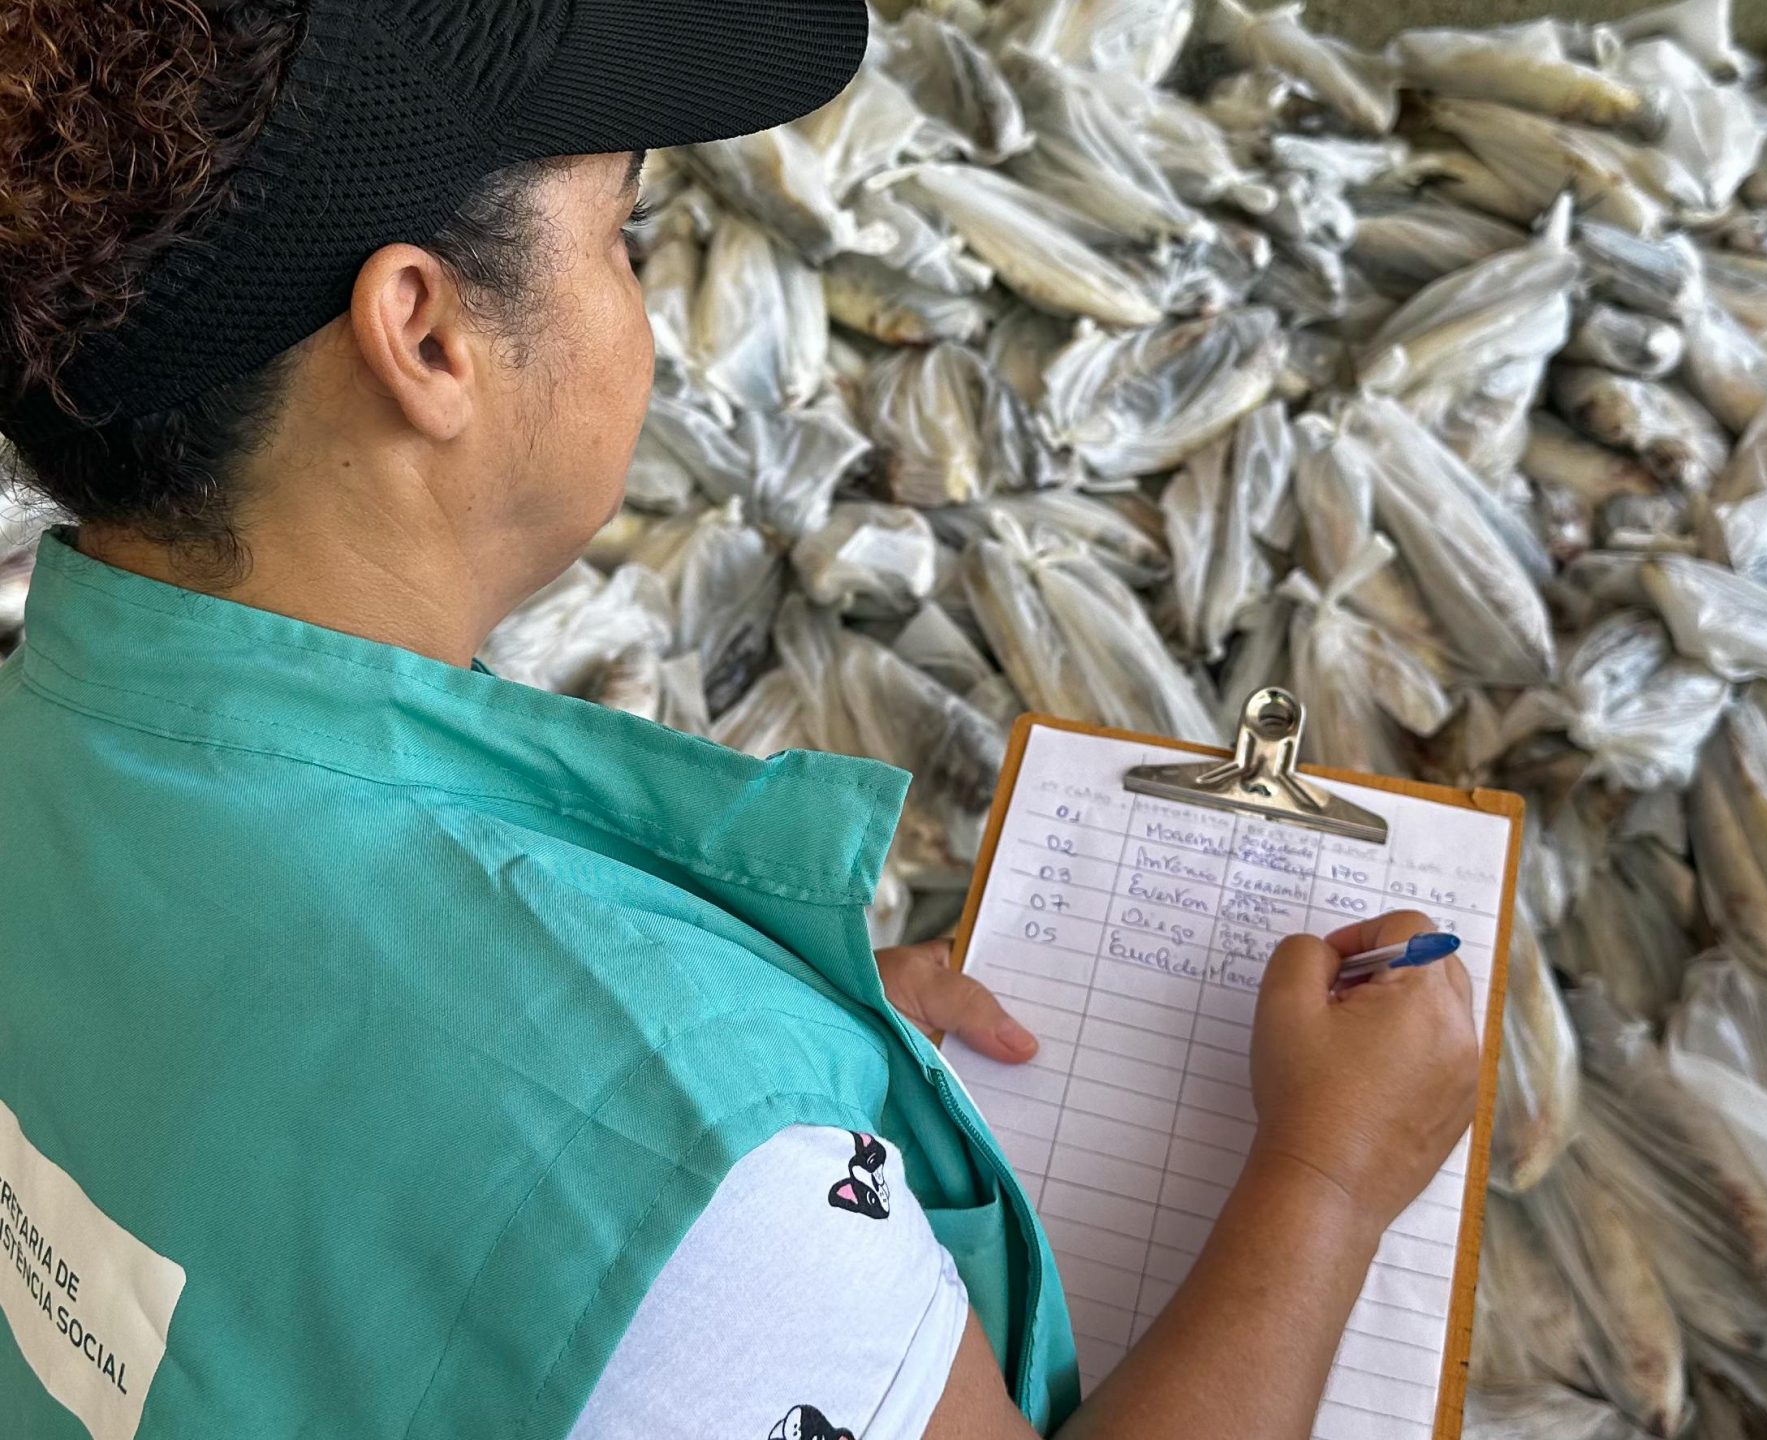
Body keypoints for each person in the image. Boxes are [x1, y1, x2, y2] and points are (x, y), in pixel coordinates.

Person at [0, 4, 1481, 1439]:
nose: (638, 296)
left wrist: (767, 1045)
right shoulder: (674, 1150)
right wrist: (1330, 1179)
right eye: (622, 232)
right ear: (429, 338)